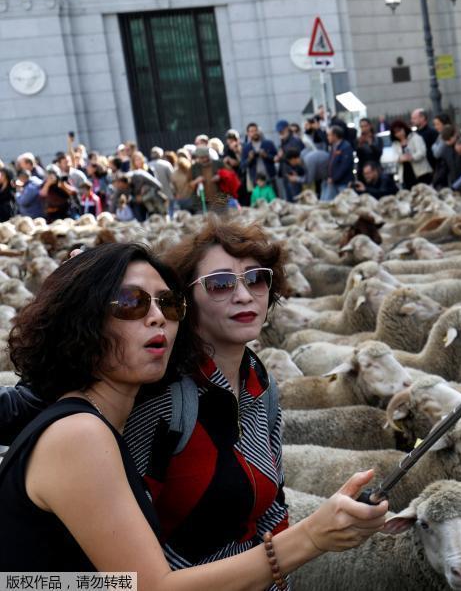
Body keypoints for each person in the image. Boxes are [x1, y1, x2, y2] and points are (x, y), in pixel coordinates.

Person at [0, 241, 388, 583]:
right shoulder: (81, 434)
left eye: (167, 303)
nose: (157, 317)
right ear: (83, 321)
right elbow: (152, 586)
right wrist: (311, 537)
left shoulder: (257, 384)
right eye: (130, 303)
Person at [389, 120, 430, 190]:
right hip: (405, 174)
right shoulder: (395, 144)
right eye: (395, 133)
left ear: (404, 128)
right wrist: (400, 158)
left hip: (420, 172)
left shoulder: (415, 137)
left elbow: (422, 152)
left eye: (399, 130)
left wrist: (412, 157)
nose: (398, 134)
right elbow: (394, 157)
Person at [241, 123, 278, 195]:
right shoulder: (246, 148)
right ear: (248, 133)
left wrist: (266, 155)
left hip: (270, 178)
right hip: (256, 181)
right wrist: (249, 158)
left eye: (256, 130)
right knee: (260, 202)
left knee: (274, 200)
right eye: (252, 131)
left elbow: (276, 159)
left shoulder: (269, 144)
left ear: (259, 131)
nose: (254, 133)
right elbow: (243, 166)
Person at [323, 125, 354, 201]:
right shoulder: (334, 146)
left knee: (344, 203)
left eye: (329, 135)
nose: (328, 137)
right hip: (333, 182)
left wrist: (334, 178)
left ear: (335, 136)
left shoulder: (346, 147)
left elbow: (344, 166)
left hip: (343, 183)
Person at [431, 125, 461, 190]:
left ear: (455, 135)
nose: (447, 142)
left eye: (449, 140)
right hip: (453, 180)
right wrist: (435, 182)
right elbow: (442, 169)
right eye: (445, 140)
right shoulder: (445, 148)